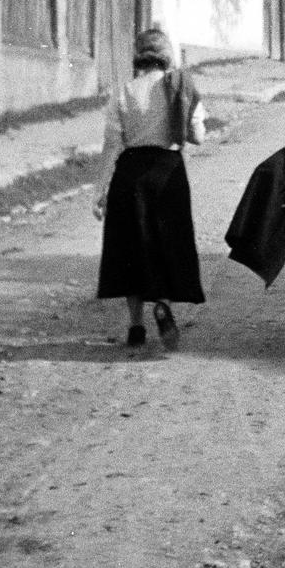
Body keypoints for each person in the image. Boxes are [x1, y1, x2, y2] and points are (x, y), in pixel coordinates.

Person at [94, 26, 206, 350]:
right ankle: (162, 305)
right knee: (167, 241)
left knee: (130, 247)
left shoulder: (123, 92)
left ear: (138, 55)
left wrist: (100, 190)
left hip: (130, 174)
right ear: (167, 55)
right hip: (168, 173)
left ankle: (135, 326)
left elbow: (111, 145)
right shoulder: (179, 88)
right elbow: (197, 136)